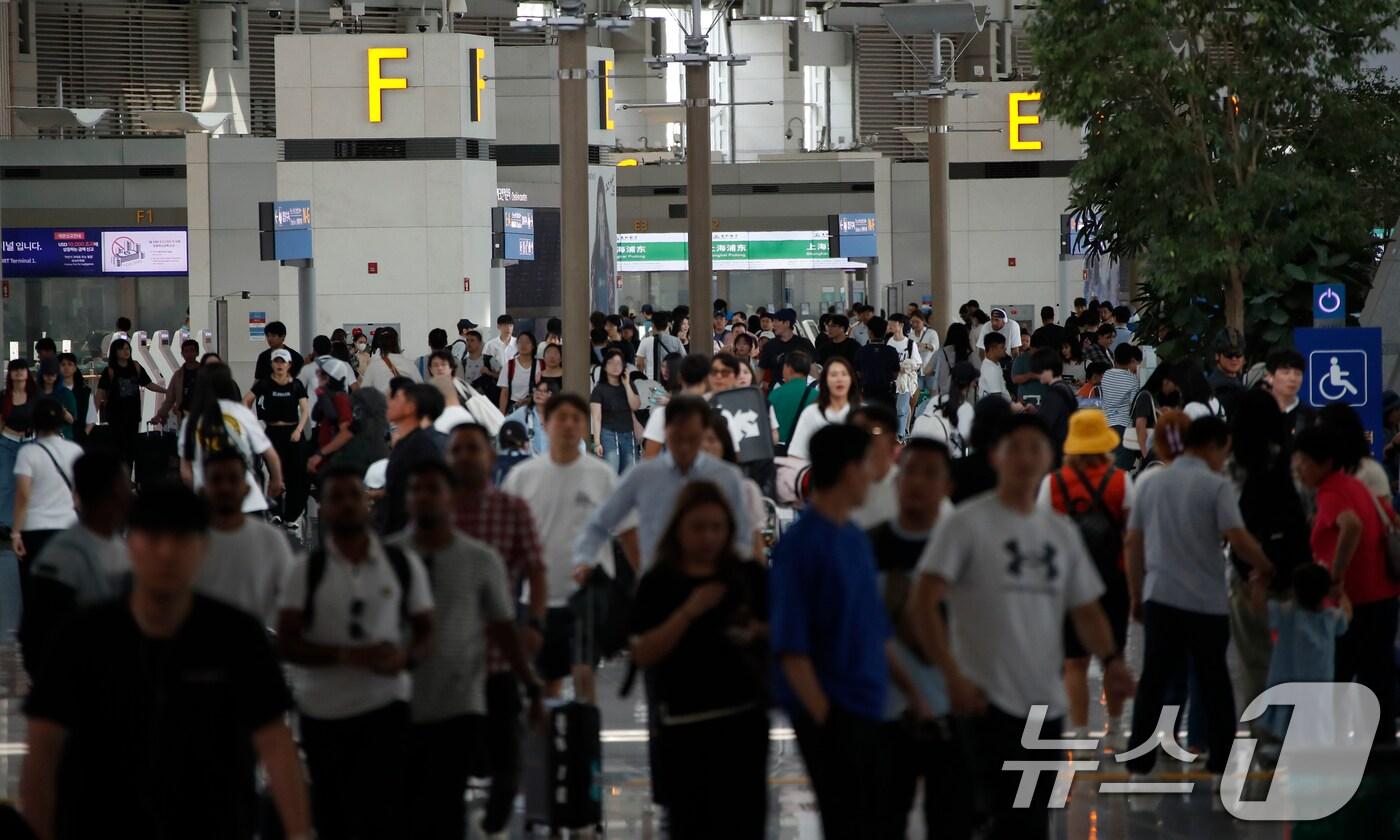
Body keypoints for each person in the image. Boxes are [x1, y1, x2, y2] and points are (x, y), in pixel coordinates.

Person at [20, 480, 311, 840]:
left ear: (203, 547)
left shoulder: (237, 637)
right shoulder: (83, 637)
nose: (166, 552)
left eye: (180, 538)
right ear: (131, 545)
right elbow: (43, 753)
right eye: (153, 536)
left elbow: (276, 746)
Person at [911, 414, 1135, 839]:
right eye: (1016, 447)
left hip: (1043, 707)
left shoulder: (1060, 532)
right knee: (979, 820)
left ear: (1050, 457)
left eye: (1036, 448)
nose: (1026, 457)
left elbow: (1086, 608)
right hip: (978, 700)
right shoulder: (965, 523)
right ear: (996, 456)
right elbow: (922, 602)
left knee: (1031, 823)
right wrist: (950, 674)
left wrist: (1113, 661)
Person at [770, 423, 923, 838]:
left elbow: (874, 629)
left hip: (869, 706)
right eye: (869, 465)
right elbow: (791, 651)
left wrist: (913, 694)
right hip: (833, 712)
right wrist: (828, 723)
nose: (876, 476)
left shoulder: (854, 538)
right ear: (849, 469)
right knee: (848, 821)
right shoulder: (800, 547)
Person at [276, 465, 435, 840]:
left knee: (386, 811)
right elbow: (287, 641)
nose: (347, 504)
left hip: (387, 709)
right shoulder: (306, 571)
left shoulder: (399, 563)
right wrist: (344, 657)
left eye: (354, 496)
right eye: (337, 498)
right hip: (323, 714)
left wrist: (406, 658)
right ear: (325, 508)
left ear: (368, 503)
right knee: (333, 814)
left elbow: (428, 629)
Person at [389, 459, 543, 840]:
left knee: (446, 799)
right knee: (406, 803)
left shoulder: (479, 558)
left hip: (459, 701)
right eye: (417, 490)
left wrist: (530, 680)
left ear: (449, 499)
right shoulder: (388, 556)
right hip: (399, 702)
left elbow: (505, 627)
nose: (424, 498)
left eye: (433, 490)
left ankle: (489, 826)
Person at [1123, 416, 1274, 776]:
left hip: (1160, 596)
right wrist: (1266, 566)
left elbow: (1133, 542)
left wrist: (1135, 594)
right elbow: (1237, 536)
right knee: (1214, 681)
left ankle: (1140, 756)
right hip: (1206, 601)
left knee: (1153, 678)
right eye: (1224, 451)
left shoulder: (1149, 482)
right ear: (1211, 445)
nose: (1224, 459)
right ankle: (1220, 757)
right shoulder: (1215, 485)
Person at [630, 481, 769, 840]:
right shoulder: (659, 583)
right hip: (683, 728)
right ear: (678, 529)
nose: (708, 538)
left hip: (743, 725)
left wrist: (755, 632)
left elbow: (781, 634)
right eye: (698, 527)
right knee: (689, 824)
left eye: (717, 527)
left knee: (744, 823)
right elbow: (642, 651)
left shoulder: (746, 577)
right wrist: (688, 613)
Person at [447, 422, 548, 838]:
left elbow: (537, 569)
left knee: (507, 755)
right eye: (459, 451)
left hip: (500, 652)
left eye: (475, 449)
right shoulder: (437, 511)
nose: (467, 458)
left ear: (490, 458)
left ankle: (497, 815)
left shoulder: (511, 509)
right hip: (447, 659)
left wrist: (535, 622)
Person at [503, 393, 639, 702]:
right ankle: (545, 742)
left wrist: (642, 580)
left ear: (584, 426)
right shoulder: (522, 477)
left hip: (588, 597)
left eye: (576, 418)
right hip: (536, 598)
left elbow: (629, 531)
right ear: (545, 424)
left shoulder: (601, 474)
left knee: (583, 674)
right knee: (544, 681)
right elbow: (508, 543)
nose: (568, 424)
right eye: (560, 418)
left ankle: (586, 742)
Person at [863, 439, 965, 839]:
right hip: (882, 714)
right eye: (911, 471)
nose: (919, 482)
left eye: (931, 473)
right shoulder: (867, 546)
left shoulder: (965, 547)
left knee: (952, 821)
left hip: (952, 712)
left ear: (947, 486)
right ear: (896, 479)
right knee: (882, 821)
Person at [1291, 424, 1398, 744]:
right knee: (1376, 675)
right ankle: (1380, 744)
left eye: (1303, 462)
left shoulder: (1332, 491)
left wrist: (1335, 578)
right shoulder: (1354, 485)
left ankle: (1334, 745)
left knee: (1336, 676)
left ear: (1323, 462)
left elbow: (1350, 526)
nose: (1299, 468)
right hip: (1383, 596)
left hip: (1356, 602)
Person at [1036, 410, 1134, 743]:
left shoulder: (1053, 484)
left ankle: (1079, 733)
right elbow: (1132, 537)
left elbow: (1042, 538)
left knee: (1074, 662)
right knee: (1113, 656)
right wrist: (1135, 589)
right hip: (1114, 579)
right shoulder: (1122, 481)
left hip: (1067, 584)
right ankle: (1116, 729)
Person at [576, 395, 750, 572]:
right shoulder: (643, 475)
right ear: (666, 431)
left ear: (704, 433)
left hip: (713, 581)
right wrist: (585, 560)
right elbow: (600, 522)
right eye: (678, 438)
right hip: (657, 581)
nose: (684, 447)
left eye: (691, 438)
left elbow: (743, 535)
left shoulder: (727, 476)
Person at [194, 448, 296, 625]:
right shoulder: (187, 541)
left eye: (233, 479)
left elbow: (290, 597)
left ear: (247, 489)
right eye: (217, 480)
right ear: (203, 489)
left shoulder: (271, 540)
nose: (225, 488)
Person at [1257, 563, 1352, 740]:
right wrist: (1340, 594)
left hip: (1288, 686)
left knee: (1289, 730)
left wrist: (1259, 584)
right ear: (1325, 593)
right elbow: (1348, 613)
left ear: (1294, 590)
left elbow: (1258, 607)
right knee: (1319, 729)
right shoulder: (1330, 619)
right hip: (1319, 690)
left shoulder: (1285, 614)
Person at [179, 364, 284, 516]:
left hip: (208, 501)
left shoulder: (192, 421)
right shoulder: (241, 413)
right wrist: (276, 481)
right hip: (247, 499)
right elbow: (270, 454)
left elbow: (186, 470)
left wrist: (198, 491)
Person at [11, 399, 83, 566]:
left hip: (33, 528)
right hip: (67, 526)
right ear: (60, 422)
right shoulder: (75, 451)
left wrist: (15, 533)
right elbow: (81, 494)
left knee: (33, 588)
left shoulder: (28, 453)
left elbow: (23, 495)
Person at [245, 347, 311, 525]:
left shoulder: (296, 385)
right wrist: (250, 424)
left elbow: (305, 409)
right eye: (277, 361)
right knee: (276, 474)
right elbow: (246, 401)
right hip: (272, 433)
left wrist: (299, 430)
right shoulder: (264, 384)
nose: (280, 365)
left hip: (293, 434)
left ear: (289, 364)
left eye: (283, 361)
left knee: (294, 475)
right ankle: (275, 512)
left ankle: (291, 515)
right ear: (272, 364)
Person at [376, 381, 446, 535]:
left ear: (411, 407)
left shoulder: (422, 446)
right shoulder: (406, 443)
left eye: (395, 398)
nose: (389, 402)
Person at [95, 338, 167, 467]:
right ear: (115, 352)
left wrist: (166, 391)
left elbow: (148, 384)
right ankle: (120, 477)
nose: (126, 351)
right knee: (118, 447)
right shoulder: (110, 371)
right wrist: (92, 414)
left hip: (133, 414)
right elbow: (100, 392)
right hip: (116, 415)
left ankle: (127, 477)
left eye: (127, 348)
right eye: (122, 349)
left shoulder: (136, 366)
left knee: (131, 447)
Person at [787, 356, 858, 461]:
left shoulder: (862, 413)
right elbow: (796, 454)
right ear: (824, 380)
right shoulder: (811, 413)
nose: (839, 379)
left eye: (844, 374)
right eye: (833, 375)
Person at [641, 354, 711, 458]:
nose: (664, 371)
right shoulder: (658, 390)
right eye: (662, 366)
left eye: (668, 367)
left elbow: (649, 456)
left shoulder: (662, 412)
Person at [850, 403, 902, 529]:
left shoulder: (907, 489)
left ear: (892, 441)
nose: (861, 440)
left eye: (871, 432)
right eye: (854, 433)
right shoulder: (837, 487)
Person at [590, 347, 641, 473]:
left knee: (630, 472)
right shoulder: (599, 389)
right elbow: (596, 417)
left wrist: (627, 384)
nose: (615, 366)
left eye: (619, 363)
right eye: (611, 363)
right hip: (608, 434)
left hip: (628, 433)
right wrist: (597, 442)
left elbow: (635, 405)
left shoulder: (630, 385)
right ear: (605, 367)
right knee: (611, 471)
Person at [306, 358, 358, 477]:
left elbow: (346, 433)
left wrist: (321, 454)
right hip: (330, 462)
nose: (317, 378)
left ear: (328, 378)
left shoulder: (340, 400)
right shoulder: (329, 399)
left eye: (320, 375)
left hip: (337, 464)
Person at [1030, 348, 1080, 460]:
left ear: (1049, 369)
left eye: (1039, 371)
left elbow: (1044, 425)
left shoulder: (1054, 394)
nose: (1037, 375)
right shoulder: (1064, 388)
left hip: (1058, 452)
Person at [1100, 342, 1142, 469]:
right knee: (1121, 466)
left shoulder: (1106, 375)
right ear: (1131, 360)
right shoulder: (1133, 380)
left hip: (1106, 422)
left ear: (1114, 358)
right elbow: (1133, 404)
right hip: (1123, 425)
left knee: (1108, 463)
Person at [768, 350, 817, 453]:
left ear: (788, 368)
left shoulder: (775, 394)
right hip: (807, 450)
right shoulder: (817, 396)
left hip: (780, 451)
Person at [757, 308, 816, 392]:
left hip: (800, 393)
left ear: (787, 323)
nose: (773, 324)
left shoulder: (804, 344)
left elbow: (813, 371)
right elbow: (760, 371)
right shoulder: (770, 345)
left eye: (777, 321)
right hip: (777, 393)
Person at [886, 314, 922, 437]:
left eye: (892, 323)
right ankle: (898, 433)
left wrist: (907, 366)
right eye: (889, 323)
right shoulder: (887, 342)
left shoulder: (910, 344)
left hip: (904, 383)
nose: (889, 326)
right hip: (890, 382)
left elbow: (917, 363)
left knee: (901, 409)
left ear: (901, 325)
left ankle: (900, 435)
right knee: (892, 410)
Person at [154, 338, 202, 430]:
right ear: (182, 354)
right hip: (184, 416)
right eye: (186, 351)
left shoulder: (205, 372)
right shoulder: (178, 375)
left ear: (197, 353)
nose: (189, 354)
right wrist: (160, 415)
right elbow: (170, 398)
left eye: (192, 351)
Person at [359, 326, 422, 395]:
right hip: (404, 404)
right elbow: (420, 390)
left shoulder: (374, 366)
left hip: (381, 404)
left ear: (380, 344)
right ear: (397, 342)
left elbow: (364, 393)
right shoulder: (409, 365)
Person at [1266, 348, 1312, 434]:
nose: (1292, 379)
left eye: (1298, 374)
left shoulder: (1308, 416)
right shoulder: (1257, 412)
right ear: (1270, 376)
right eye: (1286, 373)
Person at [497, 331, 541, 415]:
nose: (523, 345)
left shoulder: (541, 365)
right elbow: (504, 392)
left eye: (527, 342)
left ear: (533, 345)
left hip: (535, 408)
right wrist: (502, 414)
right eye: (520, 342)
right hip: (514, 408)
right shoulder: (510, 365)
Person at [636, 310, 685, 382]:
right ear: (666, 325)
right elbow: (683, 359)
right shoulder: (676, 341)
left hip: (651, 381)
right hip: (671, 380)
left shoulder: (645, 341)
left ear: (653, 325)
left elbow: (639, 364)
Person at [1208, 328, 1247, 419]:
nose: (1234, 358)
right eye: (1229, 354)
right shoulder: (1213, 387)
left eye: (1238, 353)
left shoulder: (1241, 380)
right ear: (1217, 355)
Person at [57, 353, 96, 445]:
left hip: (78, 438)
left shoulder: (84, 392)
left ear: (75, 368)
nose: (66, 367)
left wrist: (83, 435)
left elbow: (91, 419)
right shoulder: (53, 391)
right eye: (63, 364)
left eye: (70, 364)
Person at [35, 358, 77, 441]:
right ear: (42, 375)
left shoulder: (66, 393)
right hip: (39, 437)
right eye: (47, 374)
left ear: (57, 375)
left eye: (53, 374)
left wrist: (59, 408)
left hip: (63, 437)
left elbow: (71, 420)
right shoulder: (35, 393)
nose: (50, 376)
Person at [253, 320, 305, 386]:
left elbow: (300, 380)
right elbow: (258, 379)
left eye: (273, 336)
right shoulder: (263, 356)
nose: (269, 339)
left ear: (282, 336)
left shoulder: (295, 357)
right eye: (268, 336)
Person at [483, 315, 517, 381]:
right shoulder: (490, 345)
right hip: (495, 380)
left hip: (515, 380)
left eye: (510, 325)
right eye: (505, 325)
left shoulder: (518, 344)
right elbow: (485, 364)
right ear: (498, 327)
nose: (508, 328)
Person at [978, 331, 1009, 399]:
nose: (1005, 349)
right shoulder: (990, 369)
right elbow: (996, 397)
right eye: (1002, 347)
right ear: (992, 349)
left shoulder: (995, 364)